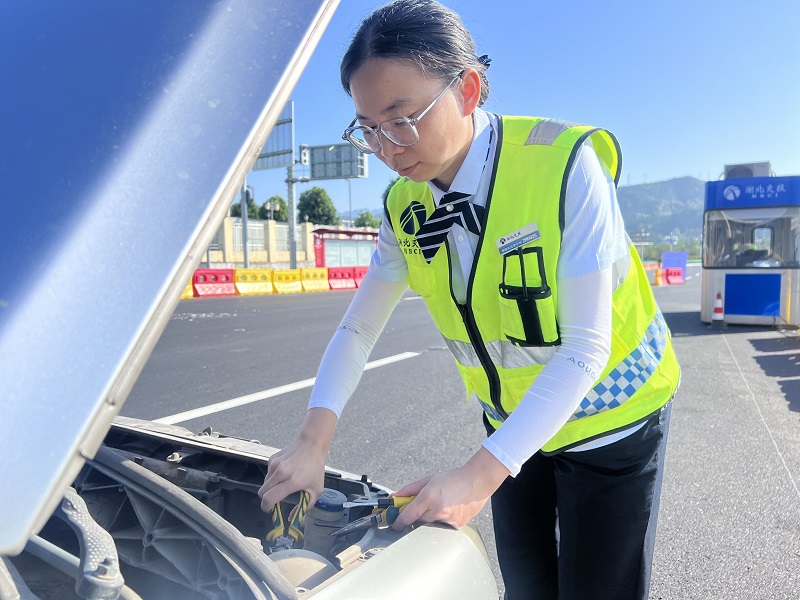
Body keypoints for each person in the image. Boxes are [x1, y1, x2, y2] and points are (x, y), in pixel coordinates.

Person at [258, 1, 680, 598]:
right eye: (368, 128)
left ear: (469, 89)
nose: (387, 147)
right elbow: (357, 331)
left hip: (613, 425)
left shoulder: (565, 166)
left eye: (402, 117)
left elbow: (587, 349)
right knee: (528, 588)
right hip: (513, 430)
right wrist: (311, 443)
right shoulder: (405, 206)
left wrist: (477, 478)